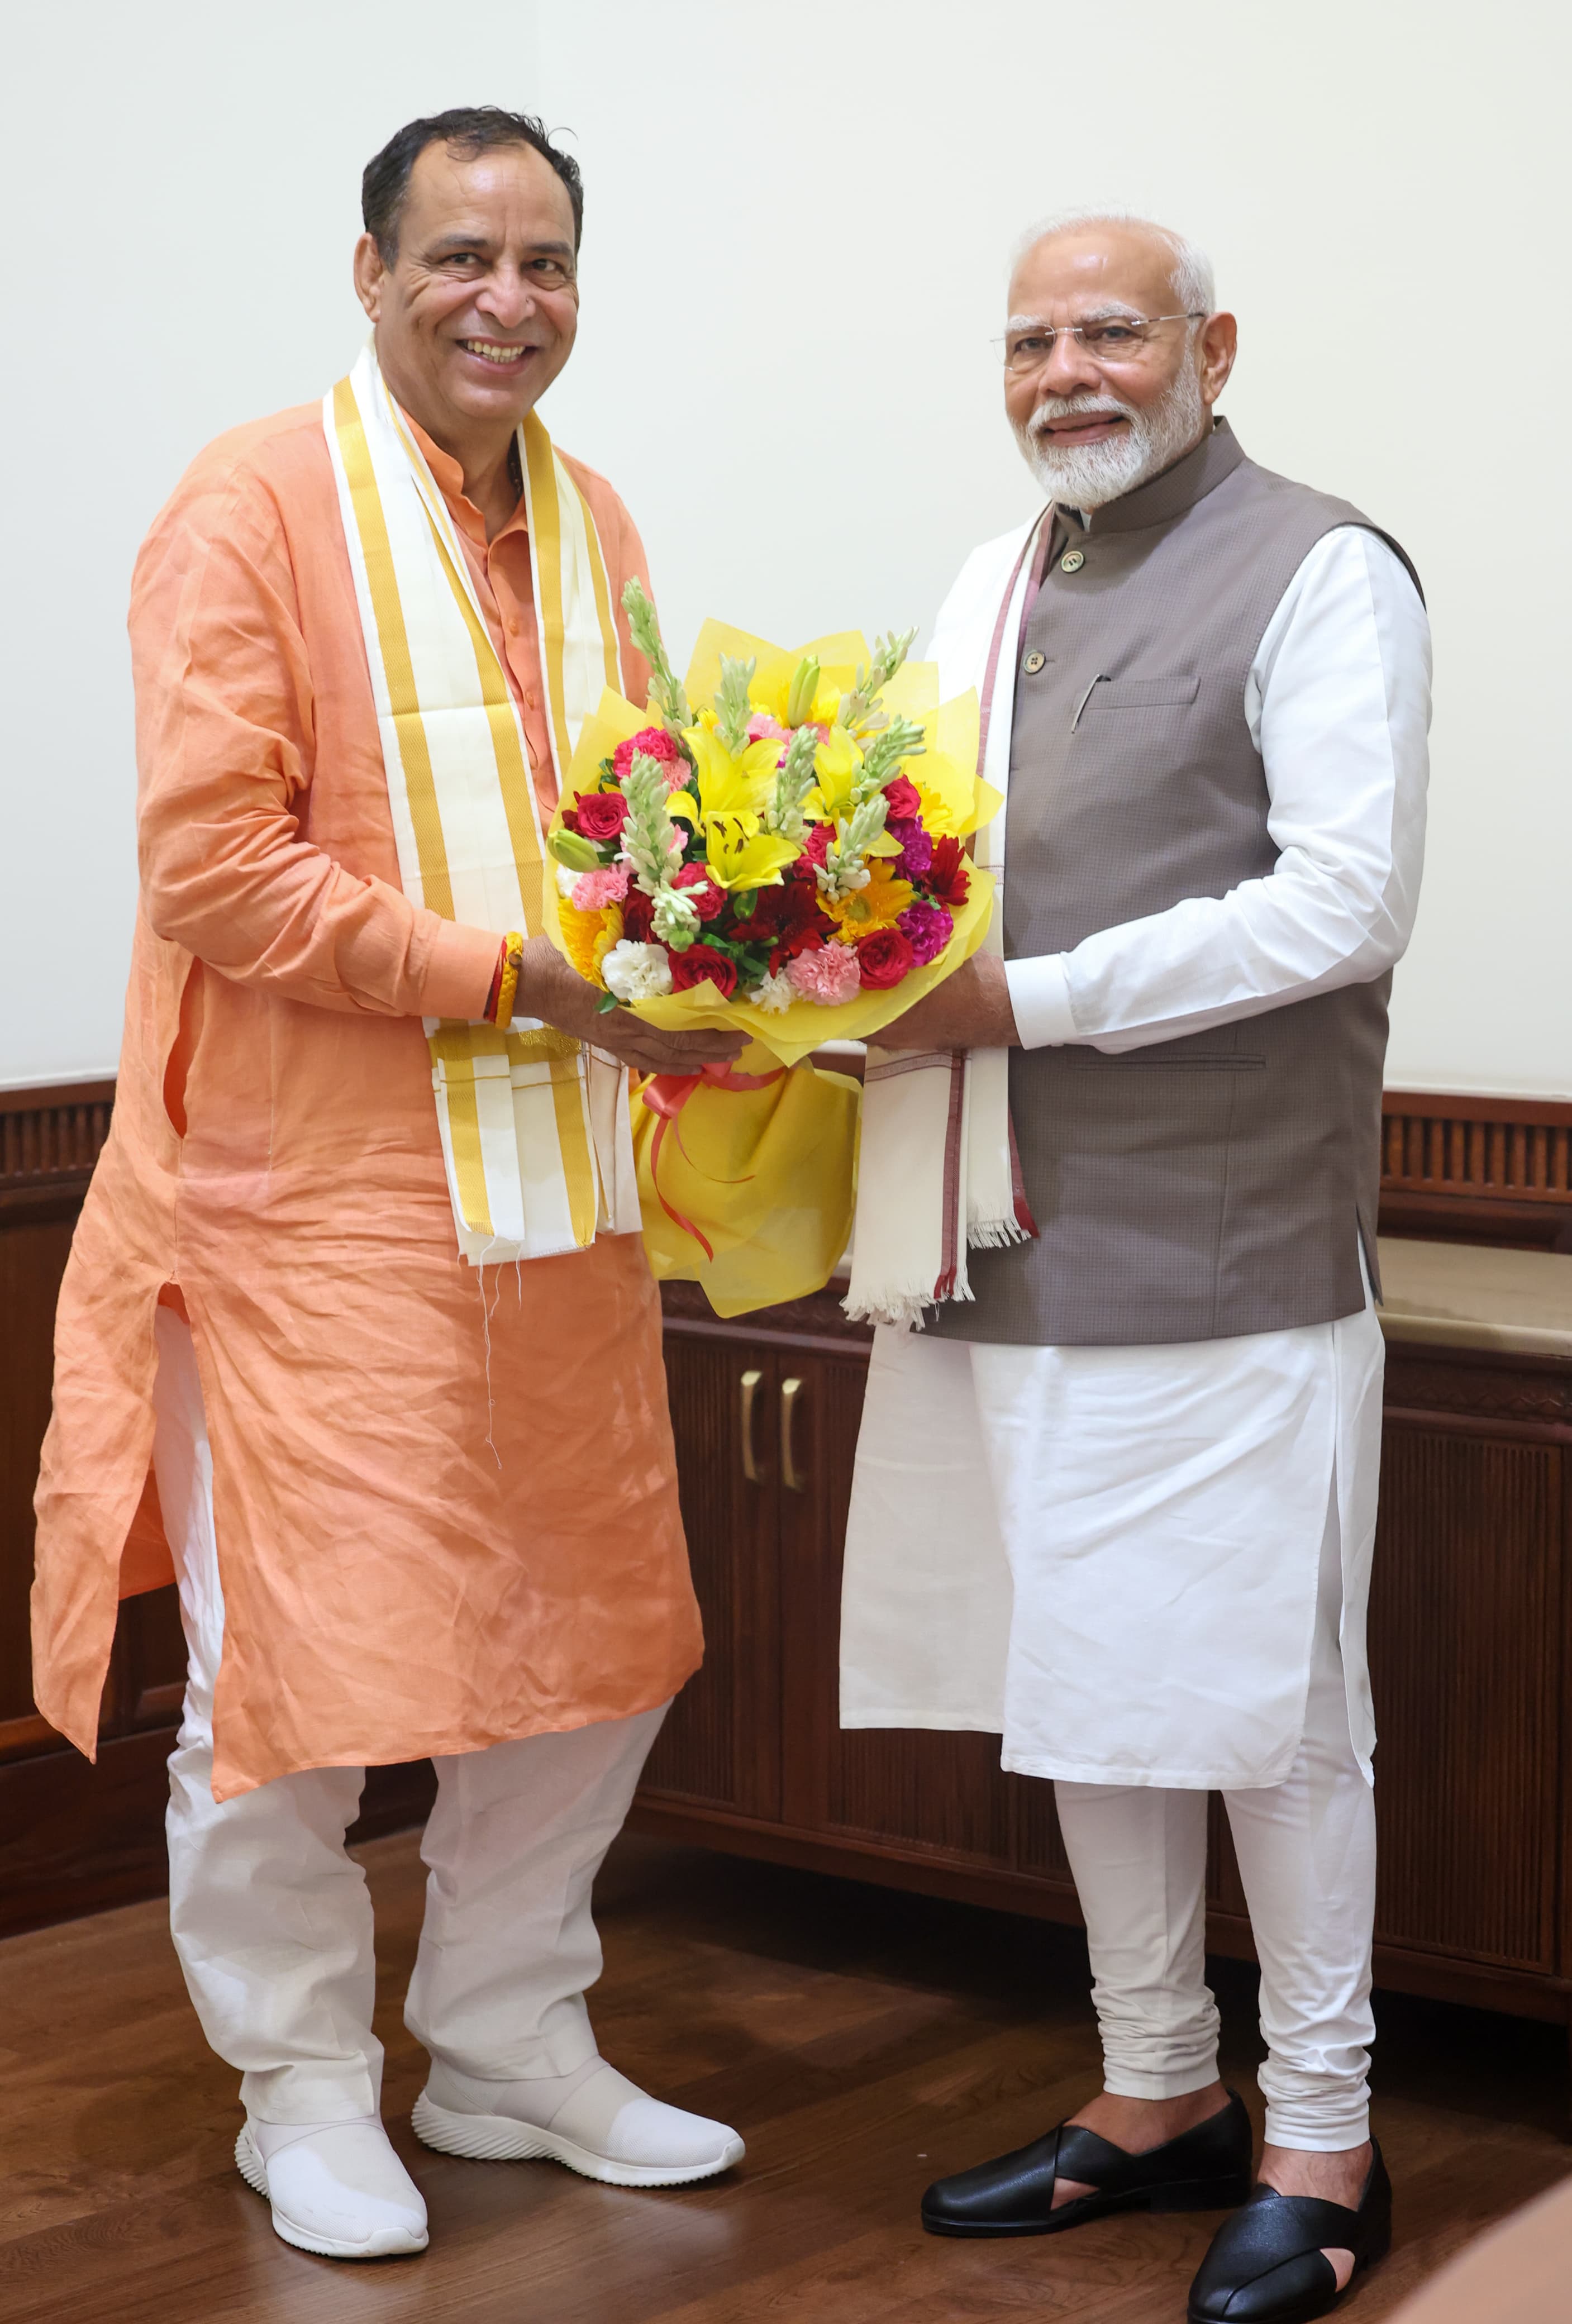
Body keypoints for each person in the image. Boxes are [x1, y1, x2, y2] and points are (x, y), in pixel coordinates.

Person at [31, 106, 747, 2263]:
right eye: (459, 258)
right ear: (370, 275)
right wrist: (517, 982)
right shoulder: (250, 503)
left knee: (601, 1645)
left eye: (542, 264)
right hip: (301, 1213)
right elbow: (215, 869)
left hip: (560, 1201)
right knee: (300, 1677)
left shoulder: (596, 515)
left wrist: (749, 934)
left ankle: (515, 2038)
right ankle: (305, 2085)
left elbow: (626, 828)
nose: (503, 301)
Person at [839, 209, 1429, 2323]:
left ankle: (1327, 2138)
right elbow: (896, 859)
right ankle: (1159, 2088)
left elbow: (1338, 907)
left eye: (1111, 330)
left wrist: (1025, 1002)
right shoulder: (988, 586)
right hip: (1007, 1235)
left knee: (1275, 1719)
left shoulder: (1324, 567)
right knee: (1091, 1698)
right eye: (1028, 340)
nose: (1065, 372)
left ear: (1212, 347)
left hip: (1235, 1250)